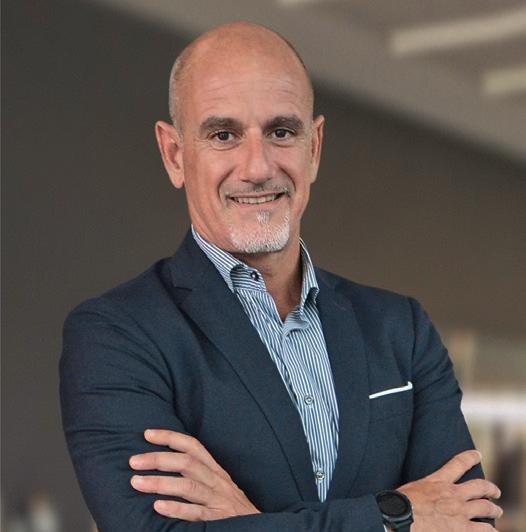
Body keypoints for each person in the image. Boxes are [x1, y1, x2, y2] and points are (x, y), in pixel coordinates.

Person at [60, 21, 502, 531]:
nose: (257, 167)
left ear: (314, 147)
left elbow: (470, 523)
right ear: (175, 154)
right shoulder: (117, 335)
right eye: (223, 135)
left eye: (281, 132)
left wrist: (250, 521)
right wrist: (391, 516)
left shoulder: (401, 328)